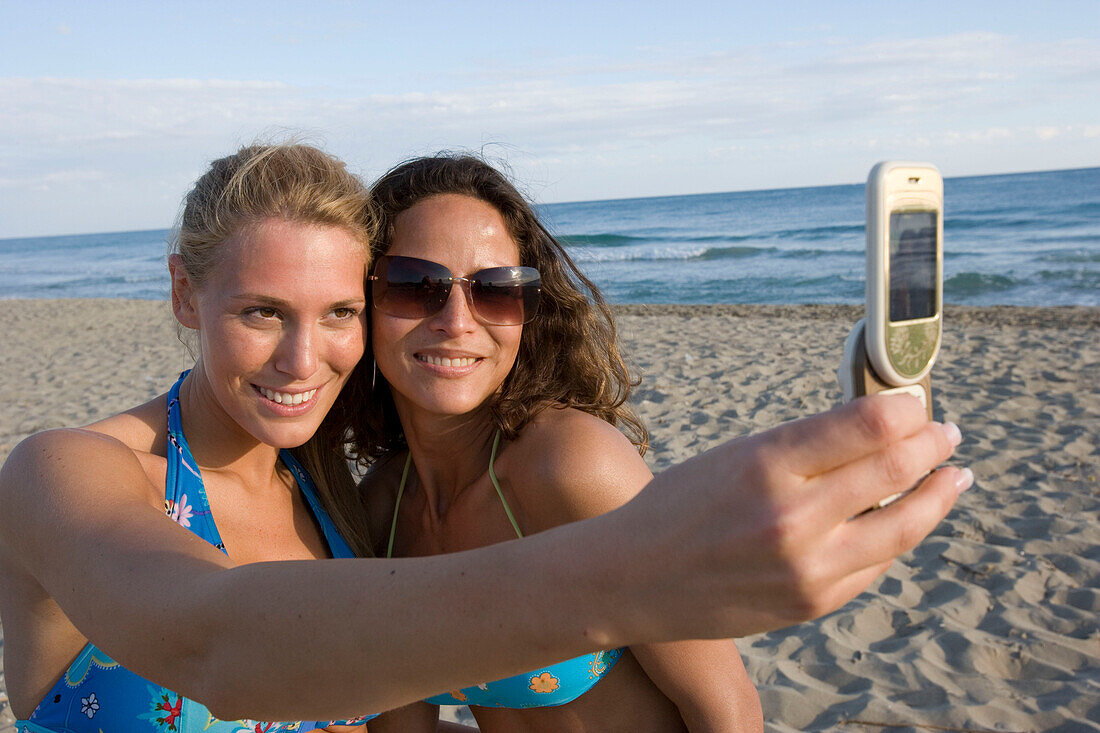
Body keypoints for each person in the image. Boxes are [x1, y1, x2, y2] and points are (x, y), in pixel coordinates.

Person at [0, 143, 971, 733]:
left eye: (336, 310)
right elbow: (214, 640)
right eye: (261, 311)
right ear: (183, 294)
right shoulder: (70, 470)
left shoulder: (340, 499)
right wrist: (633, 566)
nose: (304, 357)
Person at [351, 155, 762, 731]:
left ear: (528, 313)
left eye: (495, 291)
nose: (457, 321)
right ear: (360, 300)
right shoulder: (381, 513)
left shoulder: (571, 467)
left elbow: (727, 709)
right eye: (415, 286)